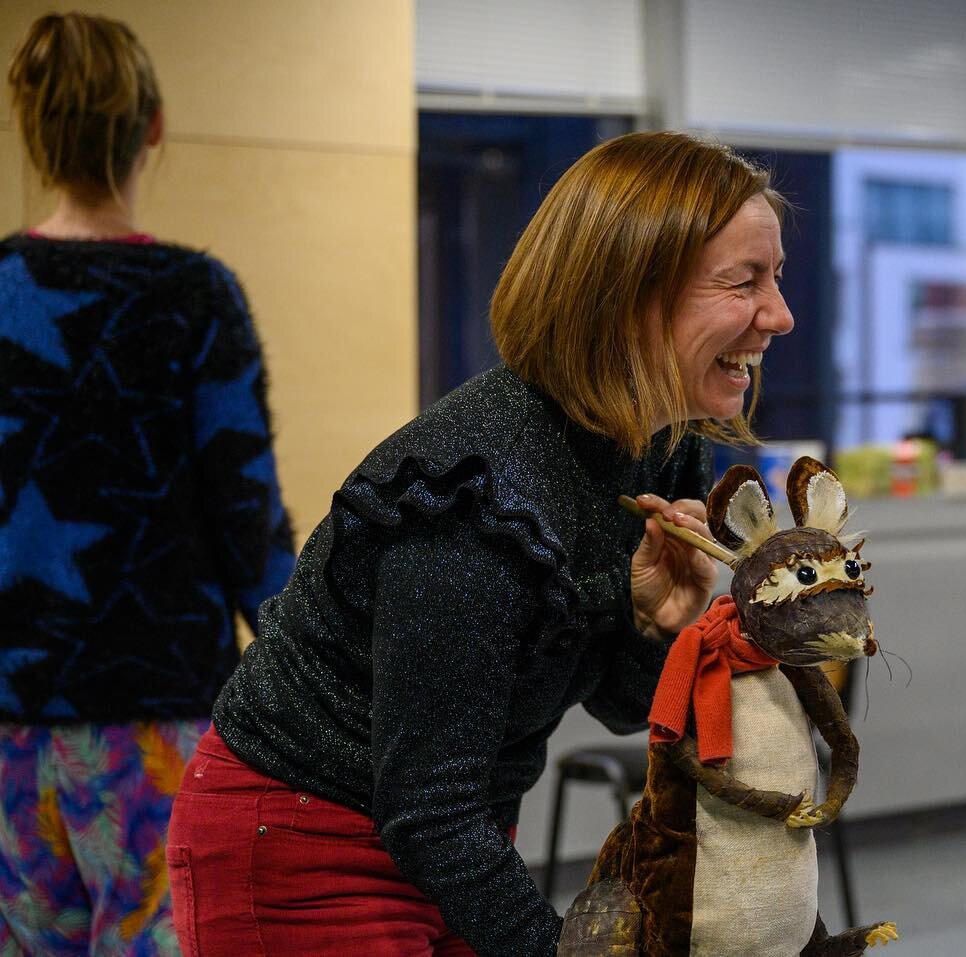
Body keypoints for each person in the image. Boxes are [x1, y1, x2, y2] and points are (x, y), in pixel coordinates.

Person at [165, 130, 795, 955]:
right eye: (743, 281)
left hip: (448, 836)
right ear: (627, 294)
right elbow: (428, 806)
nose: (780, 315)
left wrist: (648, 621)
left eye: (775, 278)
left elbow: (614, 703)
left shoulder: (659, 441)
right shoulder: (475, 493)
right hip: (301, 840)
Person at [0, 13, 295, 956]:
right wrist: (314, 669)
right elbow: (245, 517)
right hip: (157, 717)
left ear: (28, 124)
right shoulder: (196, 296)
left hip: (6, 720)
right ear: (154, 126)